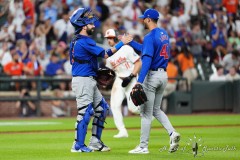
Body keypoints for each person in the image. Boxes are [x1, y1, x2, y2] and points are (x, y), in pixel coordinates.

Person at [121, 8, 180, 154]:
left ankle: (143, 146)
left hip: (152, 76)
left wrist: (139, 81)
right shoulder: (163, 34)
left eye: (144, 19)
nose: (142, 21)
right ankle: (173, 133)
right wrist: (131, 43)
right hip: (163, 76)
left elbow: (146, 60)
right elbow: (147, 50)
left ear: (148, 19)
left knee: (146, 113)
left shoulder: (149, 36)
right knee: (155, 110)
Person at [69, 7, 126, 153]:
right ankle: (78, 145)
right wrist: (122, 42)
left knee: (102, 109)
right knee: (85, 111)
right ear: (83, 26)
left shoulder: (78, 40)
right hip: (83, 80)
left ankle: (95, 141)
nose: (93, 25)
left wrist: (94, 72)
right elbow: (106, 54)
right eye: (90, 23)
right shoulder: (84, 41)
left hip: (88, 78)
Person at [104, 29, 142, 138]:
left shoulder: (126, 48)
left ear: (115, 37)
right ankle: (122, 131)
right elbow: (109, 72)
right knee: (114, 106)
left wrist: (131, 76)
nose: (109, 40)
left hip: (132, 78)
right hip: (119, 80)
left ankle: (149, 111)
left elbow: (138, 63)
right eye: (108, 38)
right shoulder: (110, 55)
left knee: (133, 108)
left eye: (110, 38)